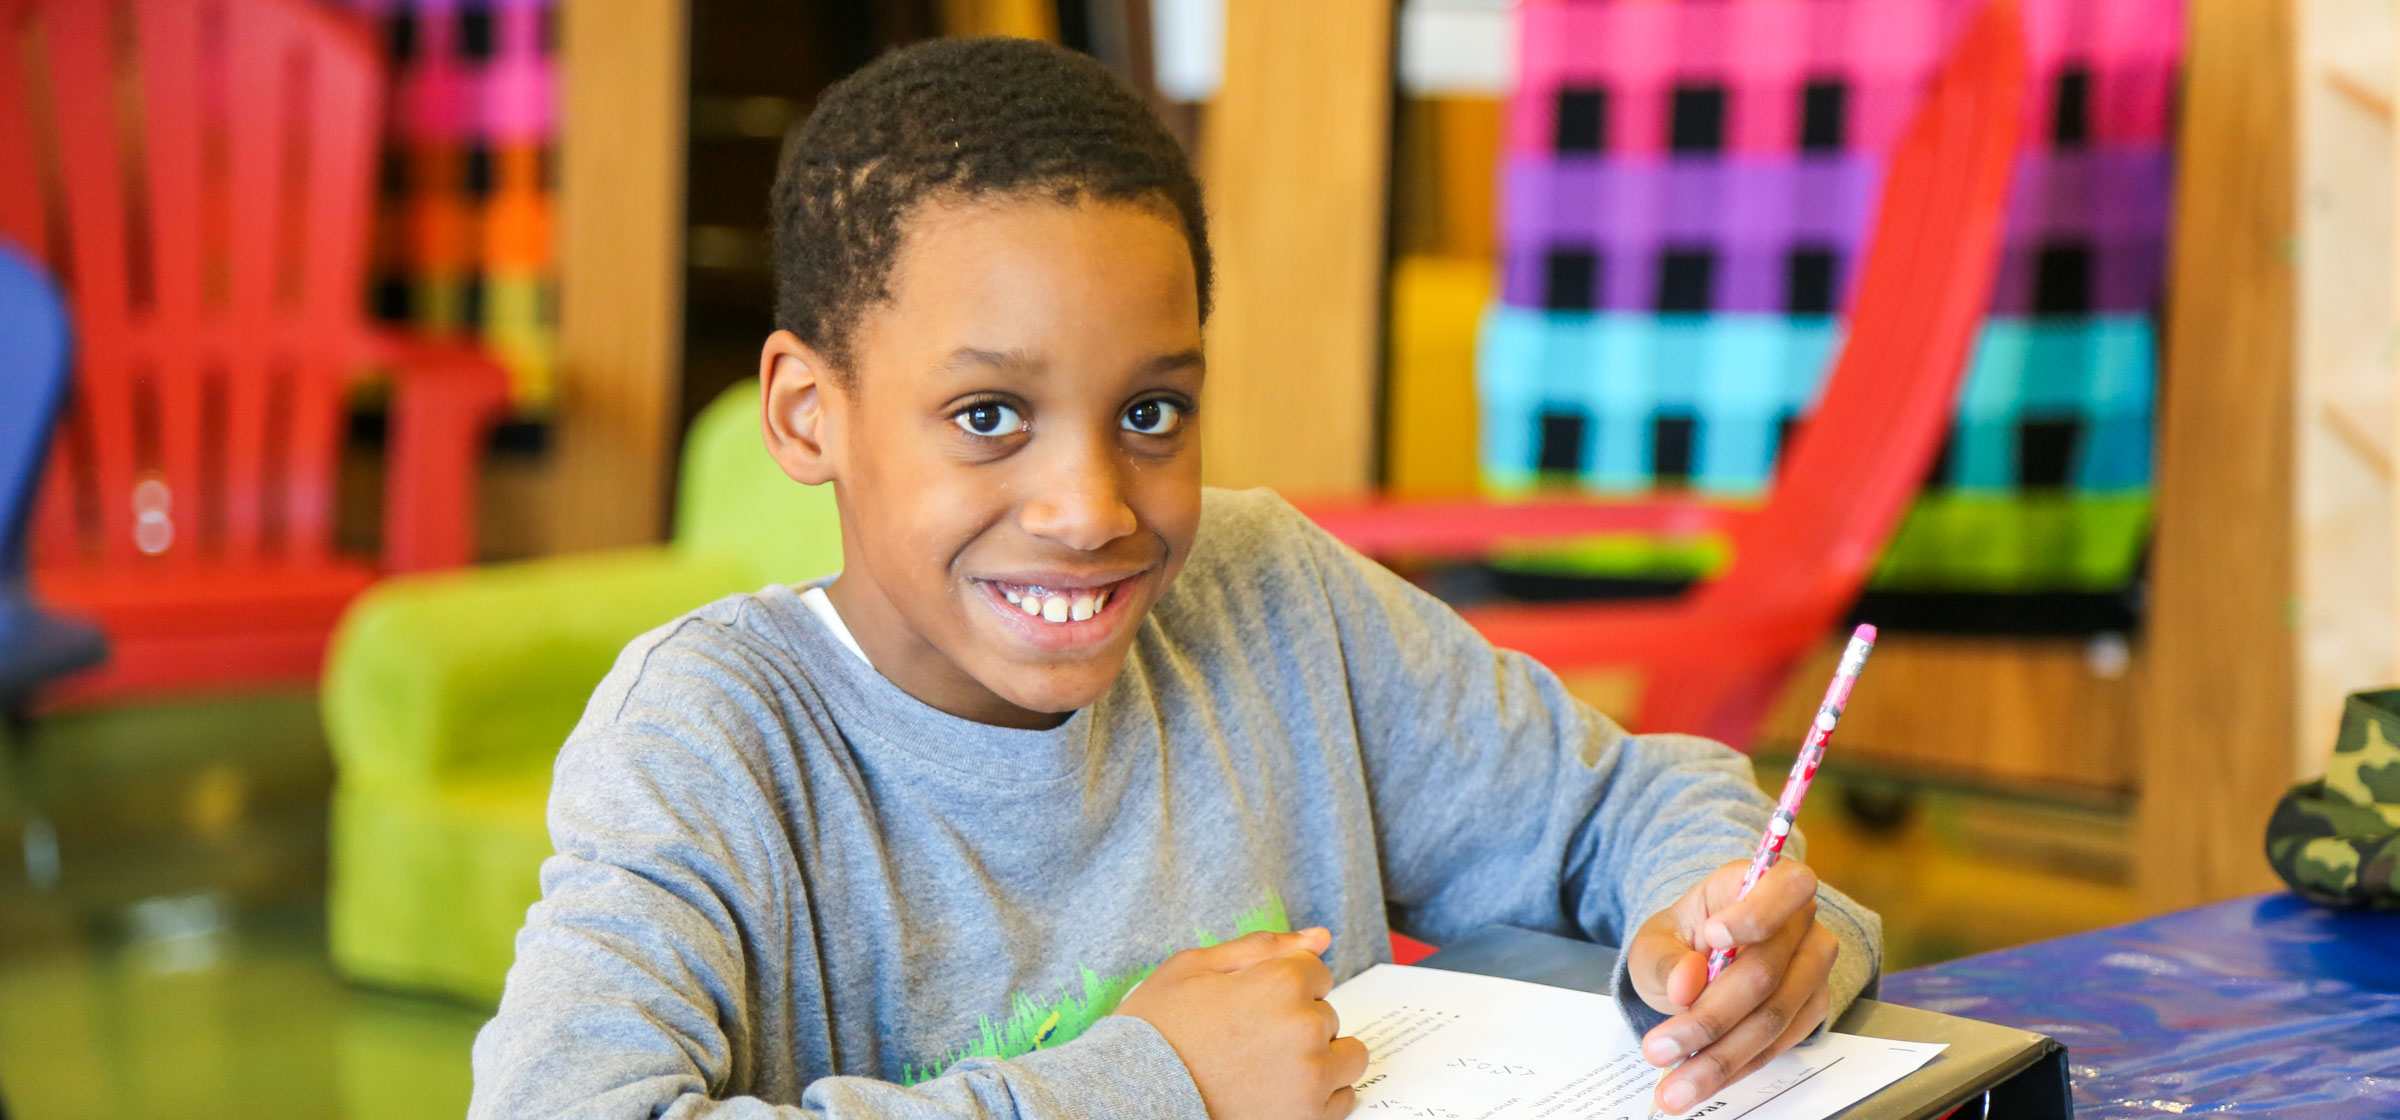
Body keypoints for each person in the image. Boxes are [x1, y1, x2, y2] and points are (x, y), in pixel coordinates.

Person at [468, 36, 1880, 1120]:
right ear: (804, 414)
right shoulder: (712, 736)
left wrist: (1719, 913)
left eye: (1151, 412)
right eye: (986, 418)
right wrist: (1153, 1086)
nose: (1089, 511)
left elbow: (1614, 807)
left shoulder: (1271, 596)